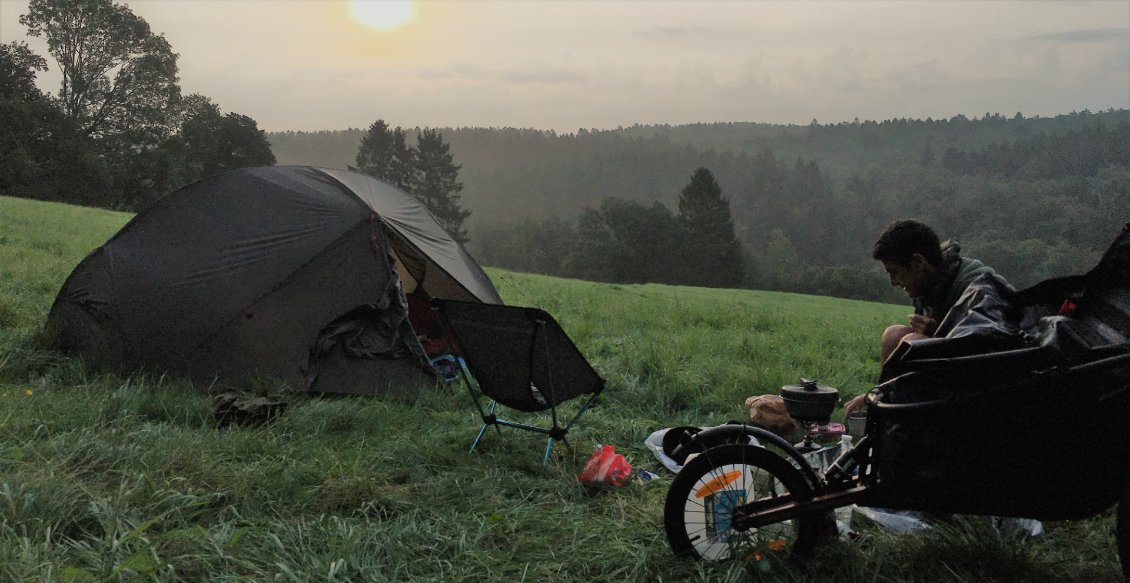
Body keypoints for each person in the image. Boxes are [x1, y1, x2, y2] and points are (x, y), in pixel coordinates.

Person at [843, 219, 999, 417]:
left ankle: (905, 420)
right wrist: (875, 394)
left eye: (895, 272)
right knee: (894, 336)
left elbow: (990, 347)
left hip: (984, 385)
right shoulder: (928, 285)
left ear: (918, 263)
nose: (893, 282)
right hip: (950, 370)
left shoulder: (978, 284)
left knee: (913, 343)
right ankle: (887, 416)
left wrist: (939, 333)